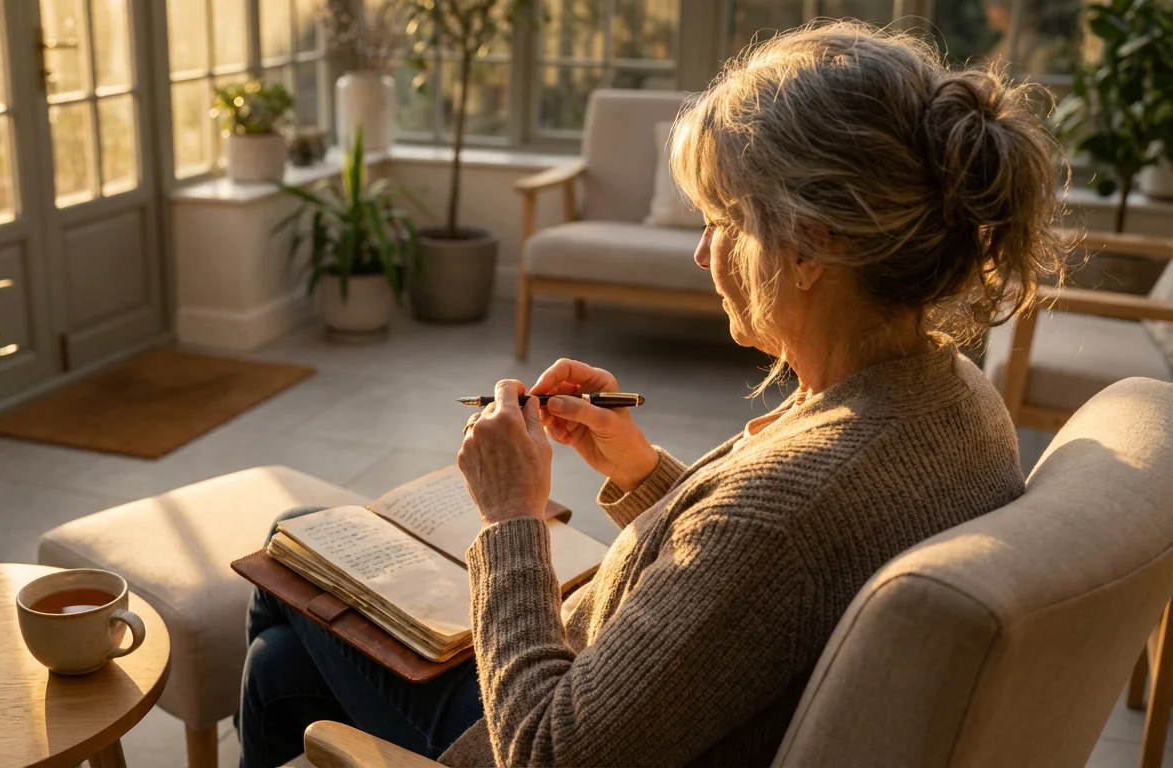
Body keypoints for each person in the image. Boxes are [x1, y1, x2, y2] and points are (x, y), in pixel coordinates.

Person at [240, 20, 1066, 767]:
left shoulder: (786, 510)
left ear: (815, 243)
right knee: (279, 657)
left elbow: (546, 751)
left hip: (532, 722)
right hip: (630, 690)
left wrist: (513, 518)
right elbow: (747, 610)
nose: (705, 255)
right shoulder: (947, 392)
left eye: (726, 221)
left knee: (291, 553)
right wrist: (643, 476)